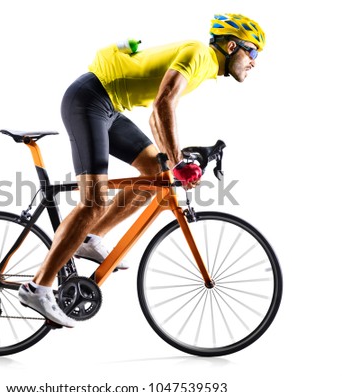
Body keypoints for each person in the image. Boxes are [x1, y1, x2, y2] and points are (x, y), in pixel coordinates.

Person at [18, 13, 266, 327]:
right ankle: (38, 287)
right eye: (253, 52)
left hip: (108, 106)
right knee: (93, 201)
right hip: (90, 100)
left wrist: (173, 164)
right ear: (232, 46)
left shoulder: (204, 66)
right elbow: (162, 105)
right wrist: (178, 163)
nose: (255, 62)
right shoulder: (200, 54)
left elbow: (159, 114)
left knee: (154, 175)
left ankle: (90, 238)